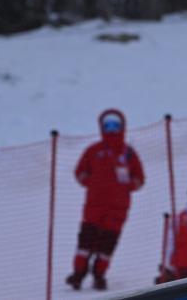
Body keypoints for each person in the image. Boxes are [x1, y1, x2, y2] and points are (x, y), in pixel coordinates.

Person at [66, 109, 145, 291]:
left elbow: (140, 178)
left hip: (118, 209)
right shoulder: (93, 151)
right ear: (101, 127)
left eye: (115, 126)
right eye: (107, 126)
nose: (111, 130)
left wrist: (126, 187)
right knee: (86, 242)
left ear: (122, 127)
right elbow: (80, 172)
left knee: (107, 245)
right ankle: (78, 274)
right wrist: (92, 183)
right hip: (94, 206)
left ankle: (99, 275)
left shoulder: (128, 154)